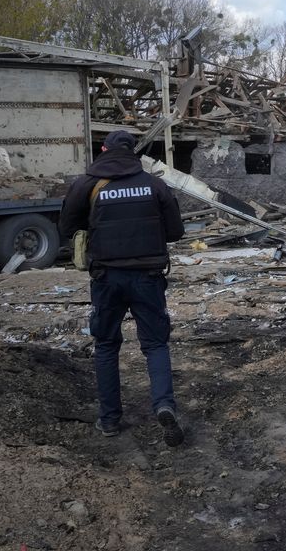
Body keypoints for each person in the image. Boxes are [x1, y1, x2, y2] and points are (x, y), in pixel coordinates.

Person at [59, 130, 185, 446]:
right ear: (133, 152)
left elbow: (66, 227)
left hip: (106, 278)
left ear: (104, 149)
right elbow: (176, 231)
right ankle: (164, 406)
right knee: (155, 344)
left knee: (105, 345)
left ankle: (110, 421)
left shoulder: (87, 184)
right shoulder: (155, 184)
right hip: (148, 277)